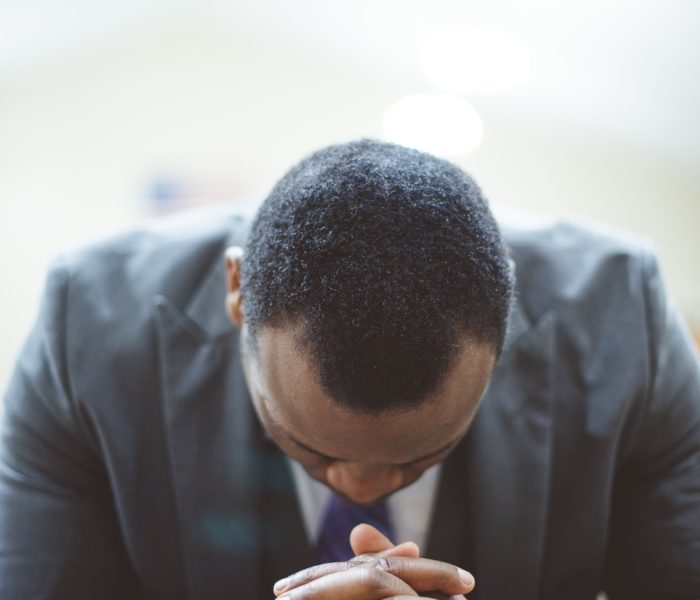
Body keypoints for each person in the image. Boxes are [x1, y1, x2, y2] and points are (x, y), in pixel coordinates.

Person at [1, 140, 699, 600]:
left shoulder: (624, 321)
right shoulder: (87, 329)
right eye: (308, 443)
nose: (362, 485)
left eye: (425, 452)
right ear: (237, 292)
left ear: (508, 312)